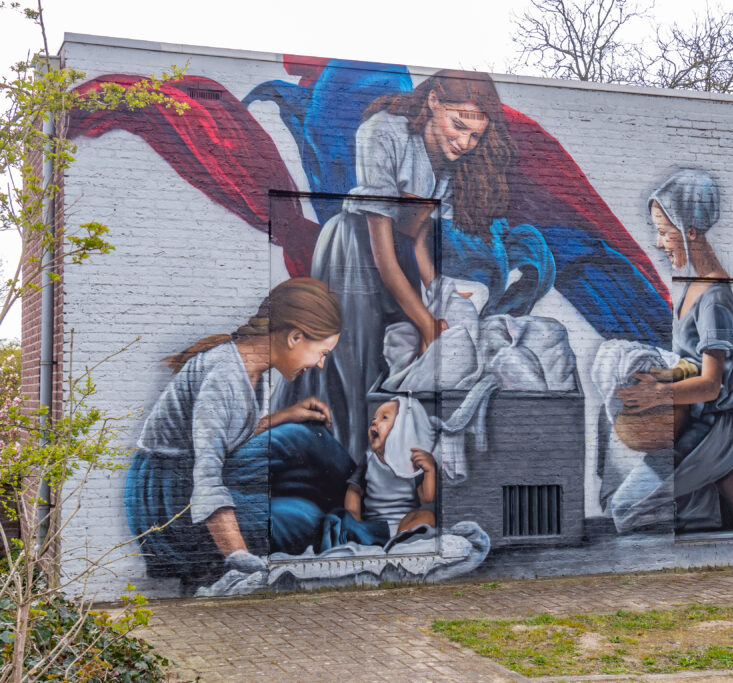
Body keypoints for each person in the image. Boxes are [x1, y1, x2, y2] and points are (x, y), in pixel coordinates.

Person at [283, 69, 553, 460]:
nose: (464, 142)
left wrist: (436, 292)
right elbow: (382, 254)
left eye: (475, 136)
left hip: (400, 254)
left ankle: (377, 468)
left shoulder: (447, 160)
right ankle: (345, 465)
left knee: (388, 360)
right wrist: (427, 321)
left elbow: (418, 238)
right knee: (354, 359)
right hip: (354, 254)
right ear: (432, 102)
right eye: (458, 125)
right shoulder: (383, 132)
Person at [124, 278, 353, 589]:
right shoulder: (223, 374)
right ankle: (337, 518)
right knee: (303, 518)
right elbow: (206, 478)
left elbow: (228, 435)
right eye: (322, 352)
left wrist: (285, 416)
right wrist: (238, 555)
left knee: (307, 435)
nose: (321, 365)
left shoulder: (252, 366)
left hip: (185, 477)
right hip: (168, 503)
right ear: (295, 337)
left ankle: (353, 501)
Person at [614, 169, 733, 532]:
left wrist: (658, 394)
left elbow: (710, 384)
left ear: (690, 231)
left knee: (625, 512)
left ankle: (724, 544)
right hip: (693, 421)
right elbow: (690, 363)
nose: (659, 243)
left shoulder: (714, 298)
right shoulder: (693, 288)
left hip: (711, 428)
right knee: (625, 507)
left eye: (664, 232)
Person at [340, 398, 437, 546]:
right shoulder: (369, 459)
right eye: (374, 419)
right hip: (374, 525)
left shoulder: (410, 461)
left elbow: (427, 497)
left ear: (401, 427)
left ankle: (400, 538)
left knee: (428, 516)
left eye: (384, 418)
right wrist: (354, 518)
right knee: (344, 522)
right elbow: (353, 490)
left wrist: (430, 470)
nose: (374, 422)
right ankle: (393, 541)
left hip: (405, 523)